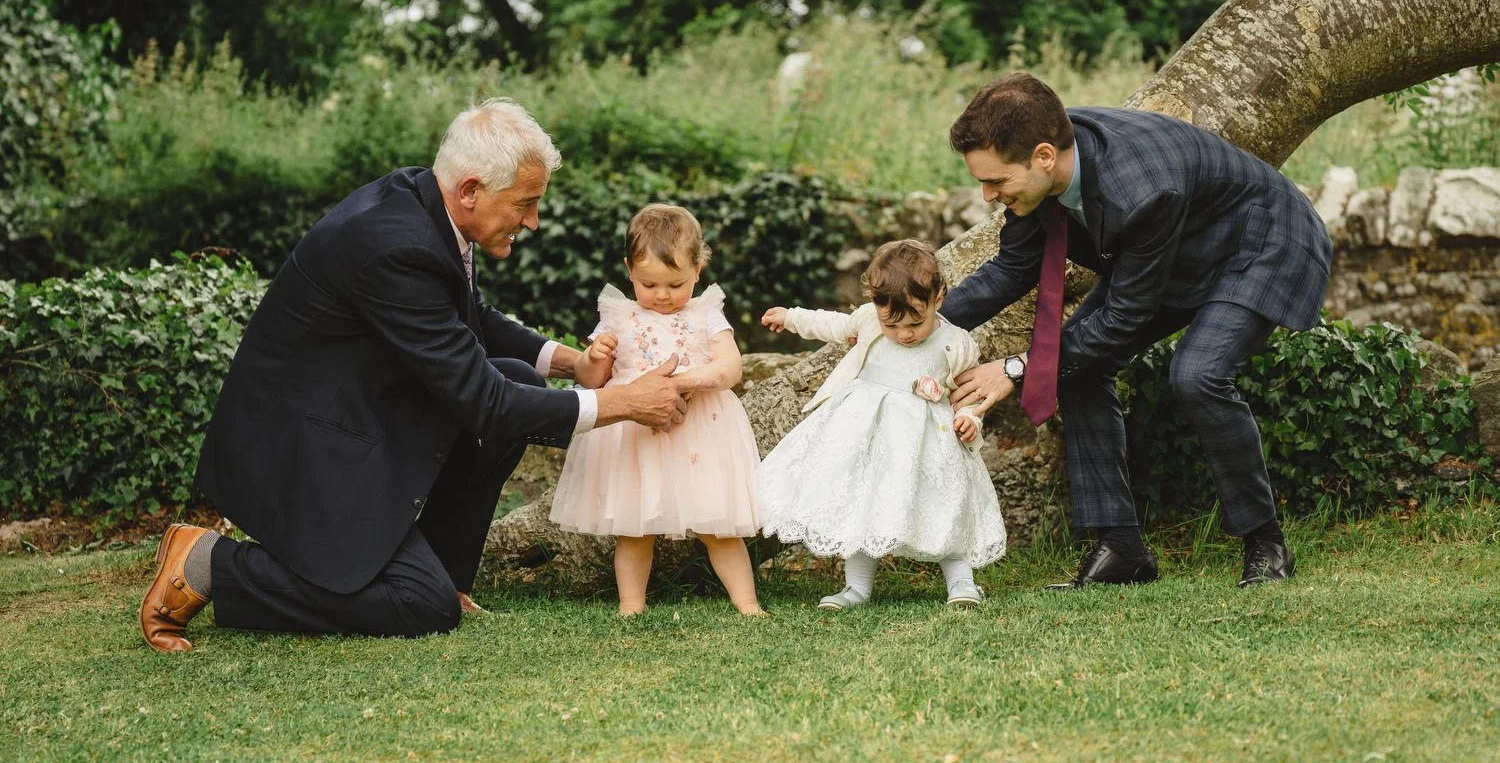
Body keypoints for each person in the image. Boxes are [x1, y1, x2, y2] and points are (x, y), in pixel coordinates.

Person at [139, 99, 692, 652]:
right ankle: (212, 563)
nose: (533, 221)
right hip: (301, 454)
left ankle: (442, 579)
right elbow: (487, 404)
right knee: (417, 602)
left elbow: (471, 318)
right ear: (472, 190)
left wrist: (574, 361)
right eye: (525, 203)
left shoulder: (424, 204)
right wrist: (624, 401)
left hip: (347, 414)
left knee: (515, 372)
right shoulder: (396, 245)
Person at [940, 73, 1332, 590]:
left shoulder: (1141, 191)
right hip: (1175, 248)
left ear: (1043, 157)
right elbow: (1011, 269)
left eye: (996, 181)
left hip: (1262, 242)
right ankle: (1123, 551)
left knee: (1198, 375)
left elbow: (1122, 320)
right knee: (1078, 368)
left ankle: (1266, 543)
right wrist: (917, 325)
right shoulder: (1043, 172)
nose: (989, 195)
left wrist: (1017, 367)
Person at [757, 239, 1007, 609]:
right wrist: (791, 317)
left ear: (938, 297)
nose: (904, 333)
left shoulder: (956, 343)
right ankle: (857, 587)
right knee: (863, 503)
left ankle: (961, 583)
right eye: (893, 323)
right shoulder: (870, 323)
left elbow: (968, 393)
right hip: (867, 437)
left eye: (914, 323)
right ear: (876, 304)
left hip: (929, 443)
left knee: (943, 503)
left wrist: (969, 418)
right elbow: (833, 323)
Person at [549, 204, 765, 616]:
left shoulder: (705, 314)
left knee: (717, 527)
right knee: (633, 530)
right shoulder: (619, 316)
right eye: (648, 284)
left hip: (699, 433)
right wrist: (596, 355)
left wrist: (686, 381)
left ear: (698, 270)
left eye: (675, 283)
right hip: (636, 437)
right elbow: (592, 381)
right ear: (629, 270)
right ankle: (631, 605)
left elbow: (730, 367)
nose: (662, 296)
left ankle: (747, 603)